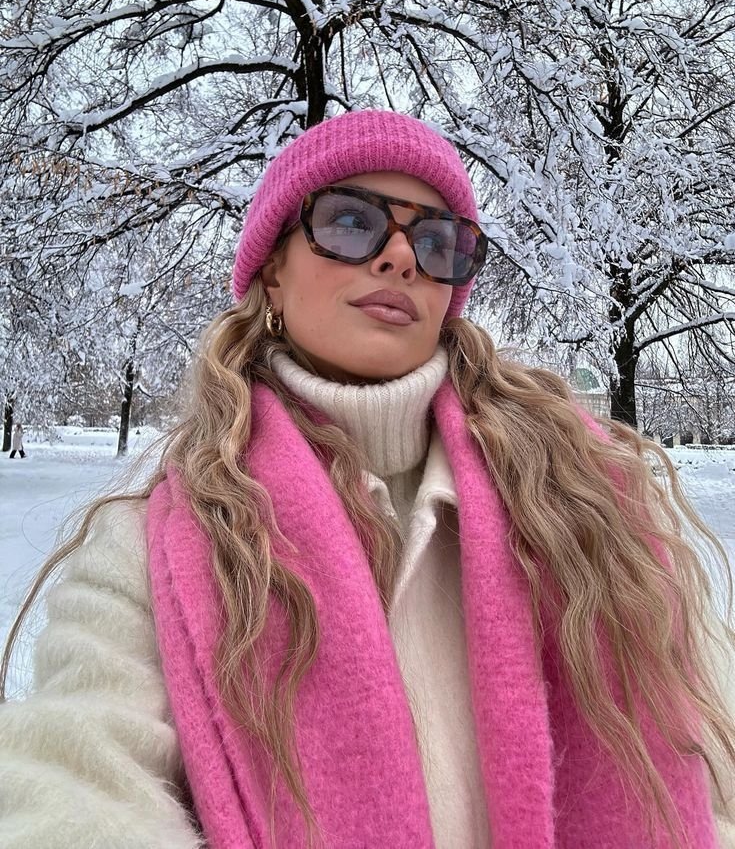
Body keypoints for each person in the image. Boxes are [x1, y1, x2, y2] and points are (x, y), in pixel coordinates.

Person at [0, 110, 733, 849]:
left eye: (436, 240)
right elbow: (75, 784)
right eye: (352, 221)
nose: (401, 258)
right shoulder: (154, 543)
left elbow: (714, 763)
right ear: (272, 270)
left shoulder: (593, 505)